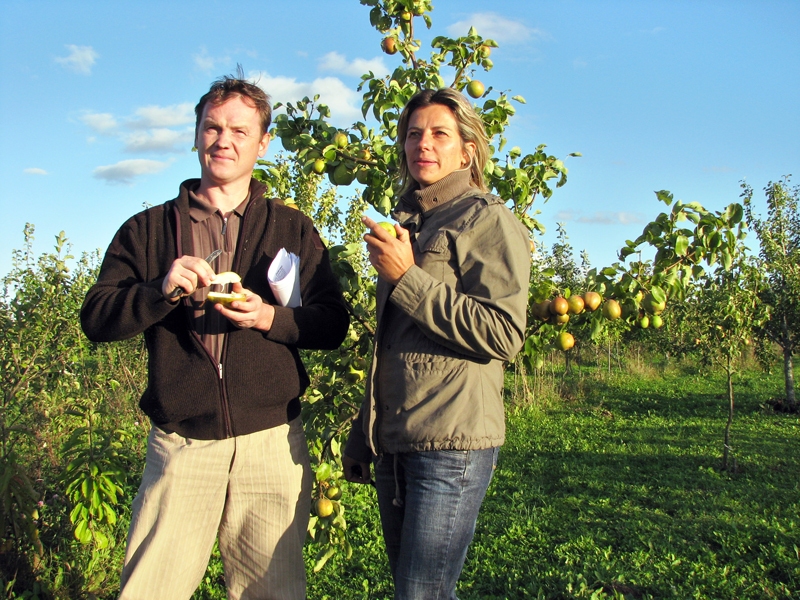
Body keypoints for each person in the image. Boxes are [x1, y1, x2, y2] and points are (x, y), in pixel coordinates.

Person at [80, 72, 349, 600]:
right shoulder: (148, 230)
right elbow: (97, 316)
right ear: (196, 133)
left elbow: (332, 322)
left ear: (263, 143)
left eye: (239, 131)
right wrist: (159, 291)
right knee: (150, 590)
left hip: (270, 444)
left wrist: (271, 319)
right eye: (212, 127)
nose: (223, 140)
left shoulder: (291, 228)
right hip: (181, 443)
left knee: (271, 593)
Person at [343, 87, 531, 599]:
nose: (422, 144)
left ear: (468, 150)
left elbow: (503, 333)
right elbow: (392, 343)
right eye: (412, 134)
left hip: (451, 442)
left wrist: (408, 277)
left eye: (439, 134)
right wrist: (366, 432)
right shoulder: (410, 222)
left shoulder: (487, 220)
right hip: (399, 442)